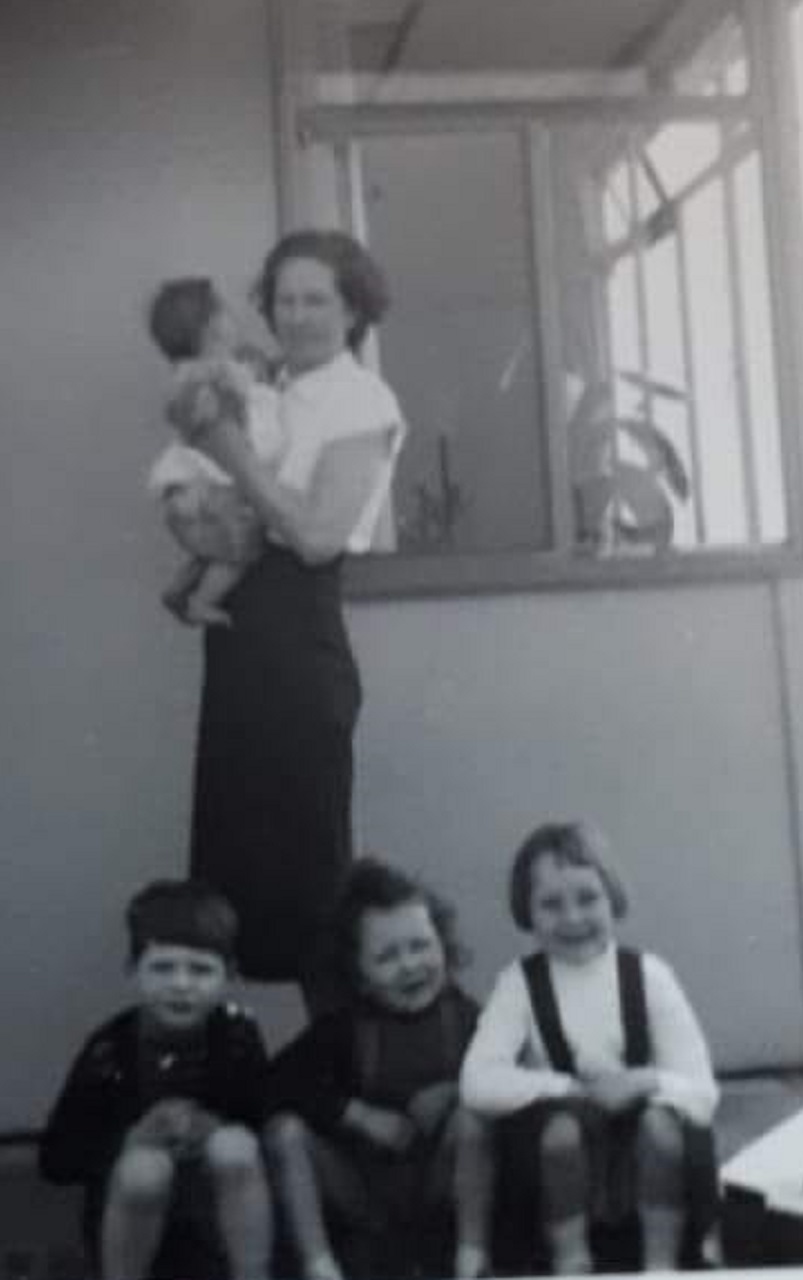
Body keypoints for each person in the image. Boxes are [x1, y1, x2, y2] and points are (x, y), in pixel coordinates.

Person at [172, 229, 406, 1013]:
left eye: (317, 300)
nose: (298, 315)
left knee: (313, 887)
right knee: (243, 884)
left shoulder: (360, 400)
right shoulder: (272, 384)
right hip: (243, 647)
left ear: (352, 310)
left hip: (300, 650)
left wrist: (226, 451)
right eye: (284, 300)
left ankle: (348, 1087)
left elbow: (314, 537)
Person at [459, 821, 722, 1275]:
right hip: (564, 1154)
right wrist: (568, 1087)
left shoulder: (649, 975)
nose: (573, 918)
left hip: (641, 1151)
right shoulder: (519, 984)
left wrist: (642, 1081)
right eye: (551, 904)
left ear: (612, 898)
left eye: (587, 898)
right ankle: (571, 1260)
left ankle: (660, 1262)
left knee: (663, 1128)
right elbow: (477, 1082)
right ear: (527, 911)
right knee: (559, 1134)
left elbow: (701, 1090)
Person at [264, 859, 495, 1279]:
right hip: (362, 1189)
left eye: (420, 946)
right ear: (360, 976)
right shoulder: (344, 1028)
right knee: (286, 1133)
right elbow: (275, 1084)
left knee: (473, 1119)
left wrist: (455, 1091)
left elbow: (508, 1075)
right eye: (387, 956)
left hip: (439, 1185)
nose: (409, 965)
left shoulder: (466, 1017)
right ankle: (319, 1266)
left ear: (444, 946)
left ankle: (472, 1259)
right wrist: (358, 1115)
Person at [37, 881, 274, 1280]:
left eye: (200, 970)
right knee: (145, 1168)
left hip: (211, 1213)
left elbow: (263, 1118)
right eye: (162, 967)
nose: (181, 984)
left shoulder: (237, 1036)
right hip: (129, 1215)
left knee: (236, 1147)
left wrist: (214, 1127)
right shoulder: (108, 1049)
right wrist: (130, 1139)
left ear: (229, 976)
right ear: (134, 972)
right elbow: (56, 1160)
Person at [143, 277, 285, 627]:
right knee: (239, 550)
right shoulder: (216, 376)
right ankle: (201, 602)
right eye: (225, 311)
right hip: (208, 488)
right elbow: (243, 414)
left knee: (214, 549)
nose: (233, 319)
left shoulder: (188, 375)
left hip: (188, 488)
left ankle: (180, 587)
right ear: (211, 327)